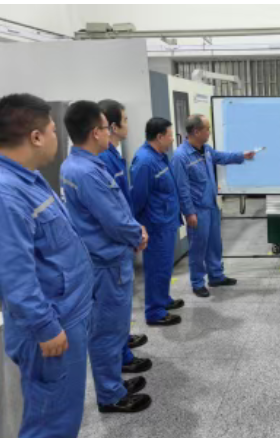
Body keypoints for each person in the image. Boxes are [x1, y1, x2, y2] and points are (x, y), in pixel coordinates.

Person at [0, 94, 94, 437]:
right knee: (50, 424)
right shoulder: (7, 194)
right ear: (36, 137)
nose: (58, 137)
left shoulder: (29, 178)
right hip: (51, 325)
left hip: (66, 312)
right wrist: (44, 326)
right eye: (54, 130)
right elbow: (13, 275)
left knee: (62, 416)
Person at [61, 100, 151, 413]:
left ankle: (113, 382)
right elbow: (113, 219)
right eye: (104, 127)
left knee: (110, 328)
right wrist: (137, 235)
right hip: (107, 262)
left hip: (101, 258)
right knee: (108, 331)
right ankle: (111, 395)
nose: (109, 132)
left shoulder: (75, 165)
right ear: (95, 132)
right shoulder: (88, 172)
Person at [172, 114, 256, 298]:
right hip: (197, 210)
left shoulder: (206, 150)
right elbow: (182, 188)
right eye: (207, 129)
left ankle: (216, 276)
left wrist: (242, 155)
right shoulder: (181, 156)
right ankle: (197, 283)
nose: (209, 132)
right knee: (198, 248)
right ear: (196, 131)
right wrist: (189, 212)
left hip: (211, 206)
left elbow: (221, 157)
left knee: (214, 244)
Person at [98, 99, 151, 374]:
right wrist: (133, 233)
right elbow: (111, 210)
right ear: (113, 126)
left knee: (121, 304)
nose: (129, 124)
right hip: (111, 245)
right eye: (126, 120)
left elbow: (122, 200)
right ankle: (120, 357)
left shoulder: (113, 155)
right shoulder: (102, 160)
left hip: (122, 239)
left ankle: (123, 344)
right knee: (112, 307)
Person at [131, 117, 183, 326]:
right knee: (156, 268)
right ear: (160, 137)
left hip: (166, 221)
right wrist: (139, 227)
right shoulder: (144, 162)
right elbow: (137, 199)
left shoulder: (159, 156)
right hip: (156, 224)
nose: (172, 139)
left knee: (165, 266)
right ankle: (155, 312)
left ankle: (163, 299)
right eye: (170, 135)